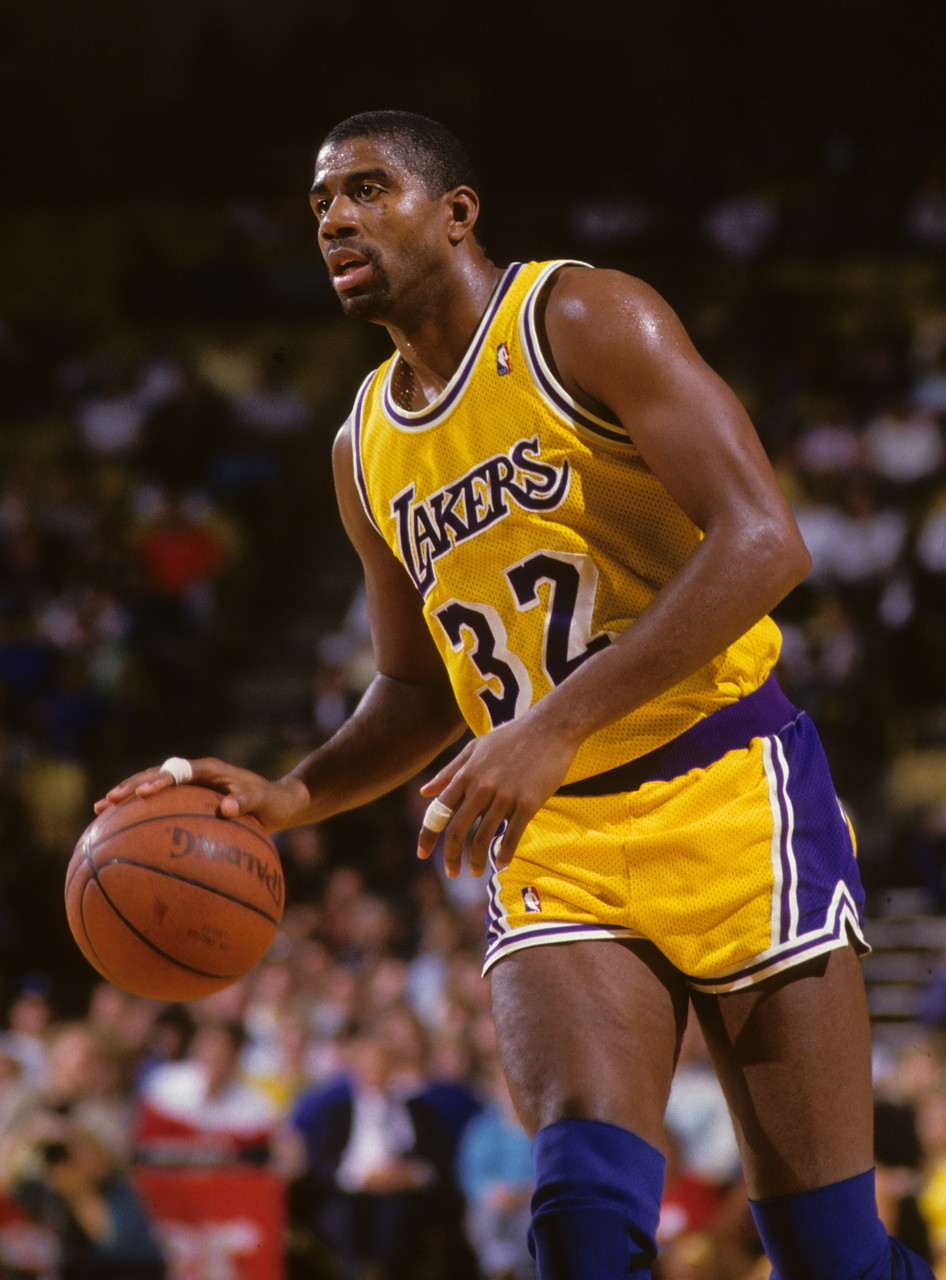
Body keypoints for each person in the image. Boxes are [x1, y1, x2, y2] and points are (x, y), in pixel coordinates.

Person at [96, 110, 934, 1278]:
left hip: (733, 788)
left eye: (366, 189)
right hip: (557, 837)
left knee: (830, 1253)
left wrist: (555, 721)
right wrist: (292, 795)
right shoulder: (363, 446)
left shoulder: (581, 317)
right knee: (580, 1224)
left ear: (457, 213)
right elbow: (417, 683)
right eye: (320, 203)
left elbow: (762, 541)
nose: (334, 218)